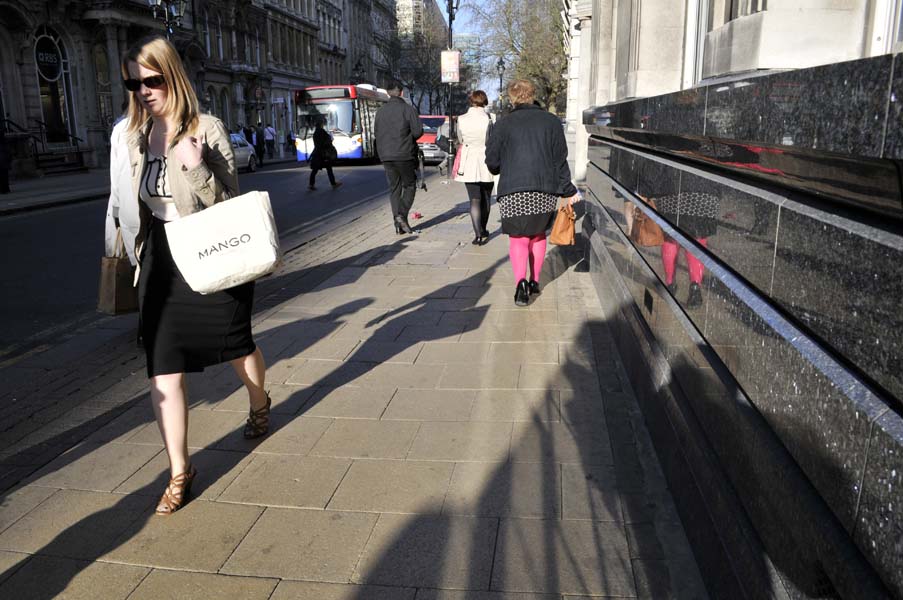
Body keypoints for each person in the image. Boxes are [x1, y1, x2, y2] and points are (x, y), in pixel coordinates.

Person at [111, 35, 270, 515]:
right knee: (163, 367)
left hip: (210, 250)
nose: (143, 91)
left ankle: (259, 402)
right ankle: (180, 470)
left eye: (152, 81)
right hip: (159, 258)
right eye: (134, 83)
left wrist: (197, 165)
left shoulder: (208, 128)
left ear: (172, 77)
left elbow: (229, 206)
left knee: (237, 344)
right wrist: (119, 252)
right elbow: (121, 202)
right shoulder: (130, 134)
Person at [485, 79, 580, 307]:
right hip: (543, 188)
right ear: (532, 94)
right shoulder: (551, 121)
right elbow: (560, 158)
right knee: (537, 234)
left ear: (512, 97)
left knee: (518, 237)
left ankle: (520, 283)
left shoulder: (503, 124)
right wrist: (568, 189)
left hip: (513, 189)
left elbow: (492, 162)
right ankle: (535, 280)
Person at [374, 80, 423, 234]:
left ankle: (398, 225)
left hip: (386, 155)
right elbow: (417, 132)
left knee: (394, 188)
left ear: (388, 92)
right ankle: (401, 215)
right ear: (401, 92)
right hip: (404, 153)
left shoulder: (380, 111)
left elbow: (376, 132)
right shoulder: (408, 109)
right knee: (409, 185)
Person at [456, 90, 496, 245]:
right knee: (486, 198)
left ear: (470, 101)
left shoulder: (461, 118)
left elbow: (460, 139)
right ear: (484, 101)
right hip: (487, 160)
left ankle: (478, 234)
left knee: (474, 199)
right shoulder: (491, 118)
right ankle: (484, 228)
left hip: (469, 160)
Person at [308, 118, 341, 191]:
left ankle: (311, 184)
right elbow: (328, 141)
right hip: (324, 154)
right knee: (329, 169)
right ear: (321, 125)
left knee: (314, 170)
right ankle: (333, 184)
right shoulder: (322, 132)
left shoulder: (315, 133)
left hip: (317, 153)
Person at [0, 129, 10, 194]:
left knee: (2, 174)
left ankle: (3, 189)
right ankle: (6, 188)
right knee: (5, 174)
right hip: (4, 157)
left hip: (2, 158)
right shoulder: (4, 142)